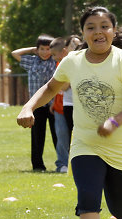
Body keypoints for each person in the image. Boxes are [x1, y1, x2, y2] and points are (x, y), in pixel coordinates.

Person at [16, 6, 122, 219]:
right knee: (87, 198)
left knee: (120, 211)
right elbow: (50, 87)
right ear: (83, 32)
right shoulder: (72, 61)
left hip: (121, 147)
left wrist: (114, 121)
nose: (98, 32)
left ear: (113, 30)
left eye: (104, 26)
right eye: (91, 27)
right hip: (85, 143)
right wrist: (28, 106)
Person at [11, 34, 58, 172]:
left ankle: (62, 163)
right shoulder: (32, 61)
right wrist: (32, 49)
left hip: (53, 105)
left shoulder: (55, 62)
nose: (45, 52)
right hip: (36, 106)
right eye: (42, 49)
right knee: (37, 136)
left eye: (48, 49)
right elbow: (15, 53)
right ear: (37, 50)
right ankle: (38, 166)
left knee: (58, 135)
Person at [49, 37, 70, 173]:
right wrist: (54, 102)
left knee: (70, 137)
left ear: (63, 52)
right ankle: (61, 163)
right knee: (61, 137)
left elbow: (66, 85)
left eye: (54, 54)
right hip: (58, 108)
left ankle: (72, 163)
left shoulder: (70, 64)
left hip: (69, 107)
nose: (53, 58)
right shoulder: (58, 66)